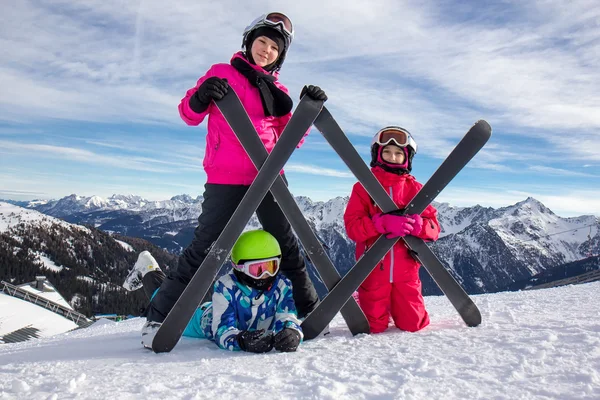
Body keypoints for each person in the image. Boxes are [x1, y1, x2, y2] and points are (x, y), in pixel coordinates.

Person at [137, 12, 328, 347]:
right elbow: (188, 114)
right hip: (225, 176)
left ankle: (310, 313)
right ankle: (158, 319)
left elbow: (293, 140)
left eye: (274, 48)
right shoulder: (221, 73)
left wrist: (305, 111)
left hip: (268, 176)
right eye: (263, 42)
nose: (267, 50)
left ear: (280, 56)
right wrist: (200, 96)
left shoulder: (278, 91)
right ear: (250, 41)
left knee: (288, 246)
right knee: (206, 249)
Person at [128, 230, 303, 352]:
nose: (265, 275)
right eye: (256, 269)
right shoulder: (227, 287)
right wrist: (241, 341)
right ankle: (148, 268)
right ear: (239, 267)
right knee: (163, 302)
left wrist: (291, 332)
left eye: (271, 266)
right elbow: (222, 330)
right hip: (199, 321)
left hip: (222, 310)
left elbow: (287, 315)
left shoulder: (282, 285)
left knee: (177, 296)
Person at [343, 126, 441, 333]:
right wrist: (379, 224)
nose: (393, 157)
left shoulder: (416, 190)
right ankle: (361, 298)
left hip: (407, 272)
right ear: (377, 155)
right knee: (372, 328)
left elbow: (434, 228)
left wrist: (421, 226)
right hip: (372, 270)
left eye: (398, 153)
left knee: (414, 325)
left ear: (408, 158)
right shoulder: (362, 188)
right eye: (386, 152)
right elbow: (353, 228)